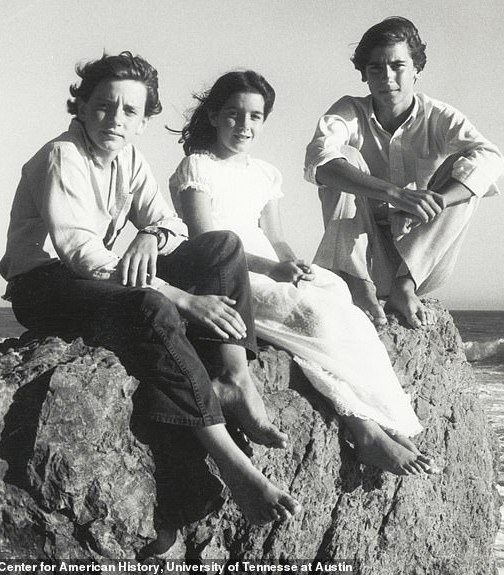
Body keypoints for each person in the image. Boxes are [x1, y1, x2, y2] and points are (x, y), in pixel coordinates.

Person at [0, 52, 301, 526]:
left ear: (143, 121)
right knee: (152, 305)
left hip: (98, 277)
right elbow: (83, 255)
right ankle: (228, 459)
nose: (115, 120)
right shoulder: (63, 155)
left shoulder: (129, 156)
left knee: (222, 246)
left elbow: (172, 225)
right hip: (45, 285)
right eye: (103, 106)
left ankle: (234, 378)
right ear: (81, 106)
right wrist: (183, 298)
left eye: (130, 111)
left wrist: (148, 235)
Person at [170, 70, 438, 476]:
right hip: (226, 273)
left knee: (339, 306)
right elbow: (207, 244)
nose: (244, 126)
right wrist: (273, 270)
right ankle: (364, 431)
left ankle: (386, 421)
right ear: (213, 117)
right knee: (313, 321)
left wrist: (292, 266)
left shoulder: (265, 173)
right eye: (233, 115)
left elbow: (275, 238)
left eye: (255, 117)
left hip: (269, 265)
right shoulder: (197, 167)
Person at [305, 17, 504, 328]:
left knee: (469, 171)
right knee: (341, 159)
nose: (387, 77)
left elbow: (493, 159)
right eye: (375, 68)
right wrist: (395, 194)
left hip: (420, 258)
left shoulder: (439, 116)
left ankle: (403, 286)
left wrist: (435, 200)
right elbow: (318, 159)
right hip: (364, 254)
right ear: (364, 76)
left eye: (397, 66)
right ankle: (358, 285)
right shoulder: (348, 111)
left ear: (417, 70)